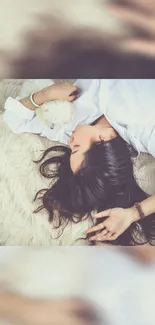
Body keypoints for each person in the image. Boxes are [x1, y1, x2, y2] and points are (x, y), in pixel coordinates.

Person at [3, 79, 155, 245]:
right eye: (76, 147)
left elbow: (15, 120)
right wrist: (133, 213)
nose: (69, 142)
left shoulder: (68, 127)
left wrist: (44, 95)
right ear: (104, 140)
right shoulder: (146, 129)